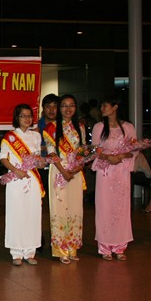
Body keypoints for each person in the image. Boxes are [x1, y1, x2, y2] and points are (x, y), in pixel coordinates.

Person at [91, 95, 135, 261]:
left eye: (105, 105)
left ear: (115, 107)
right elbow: (95, 150)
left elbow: (134, 149)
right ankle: (104, 246)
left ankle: (120, 246)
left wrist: (121, 156)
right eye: (102, 106)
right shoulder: (99, 127)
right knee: (104, 207)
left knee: (121, 208)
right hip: (106, 172)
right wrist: (107, 157)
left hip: (121, 172)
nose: (102, 109)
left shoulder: (128, 127)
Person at [43, 94, 86, 264]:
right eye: (64, 106)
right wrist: (64, 171)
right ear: (59, 108)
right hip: (59, 171)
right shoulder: (51, 128)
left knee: (75, 208)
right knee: (59, 208)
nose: (68, 109)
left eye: (71, 105)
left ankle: (73, 246)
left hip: (75, 172)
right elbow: (52, 153)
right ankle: (61, 249)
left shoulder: (80, 127)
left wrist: (77, 168)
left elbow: (82, 151)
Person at [0, 104, 43, 266]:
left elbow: (37, 157)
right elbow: (3, 158)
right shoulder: (10, 137)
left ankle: (30, 251)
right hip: (15, 180)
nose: (27, 119)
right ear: (16, 118)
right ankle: (16, 252)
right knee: (16, 213)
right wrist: (16, 170)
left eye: (29, 116)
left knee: (32, 213)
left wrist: (40, 162)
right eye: (23, 116)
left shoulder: (36, 136)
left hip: (32, 179)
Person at [36, 94, 59, 252]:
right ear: (43, 109)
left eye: (54, 106)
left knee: (58, 205)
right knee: (38, 205)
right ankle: (38, 240)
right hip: (41, 169)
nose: (51, 110)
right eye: (48, 106)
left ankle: (57, 239)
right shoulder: (36, 126)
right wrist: (49, 148)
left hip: (59, 169)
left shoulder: (64, 126)